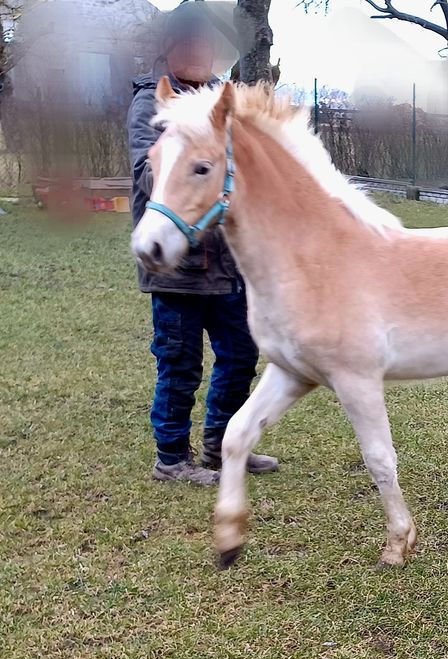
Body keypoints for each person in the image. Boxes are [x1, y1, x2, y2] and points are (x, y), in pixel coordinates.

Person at [127, 2, 277, 486]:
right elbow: (147, 174)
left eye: (206, 43)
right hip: (177, 264)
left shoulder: (219, 104)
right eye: (188, 43)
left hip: (229, 264)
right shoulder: (152, 102)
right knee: (180, 363)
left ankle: (219, 443)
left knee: (240, 355)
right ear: (169, 49)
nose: (199, 51)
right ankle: (171, 458)